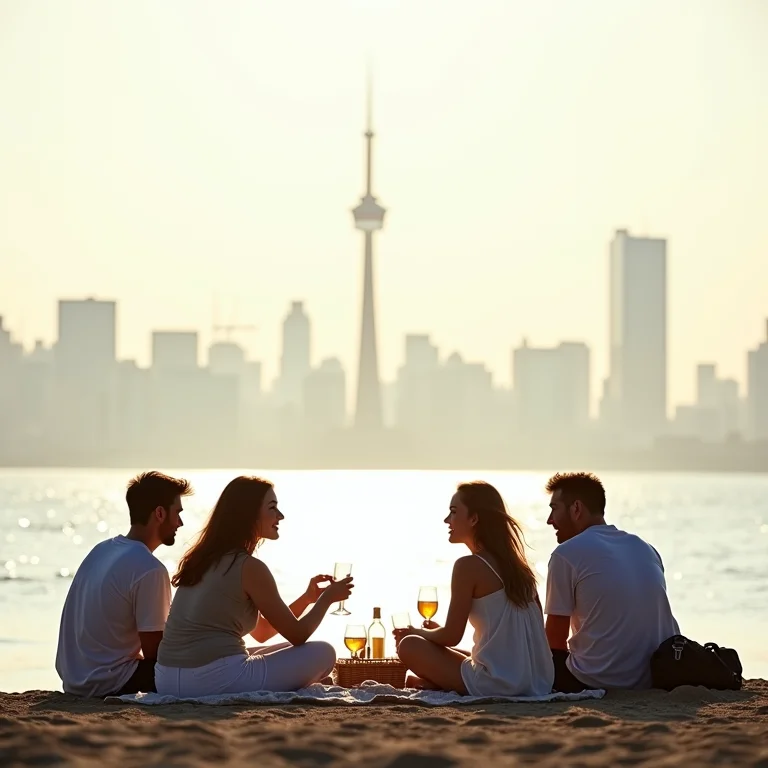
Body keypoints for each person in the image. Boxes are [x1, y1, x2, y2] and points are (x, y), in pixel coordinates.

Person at [155, 476, 352, 697]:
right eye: (272, 508)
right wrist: (327, 599)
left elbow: (263, 632)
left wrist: (307, 599)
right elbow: (298, 635)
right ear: (249, 515)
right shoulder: (249, 567)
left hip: (166, 679)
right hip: (211, 680)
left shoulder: (204, 560)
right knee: (324, 652)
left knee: (285, 651)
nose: (280, 516)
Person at [393, 481, 554, 697]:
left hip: (501, 684)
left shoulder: (468, 566)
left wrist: (418, 632)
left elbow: (451, 636)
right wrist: (434, 635)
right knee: (462, 654)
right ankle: (436, 682)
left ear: (474, 518)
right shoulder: (521, 569)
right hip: (538, 680)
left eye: (453, 512)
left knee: (409, 645)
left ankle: (438, 682)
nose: (447, 520)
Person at [55, 471, 192, 697]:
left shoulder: (101, 550)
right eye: (177, 512)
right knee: (204, 669)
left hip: (74, 680)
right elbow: (156, 654)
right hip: (110, 682)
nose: (180, 522)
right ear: (159, 513)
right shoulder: (150, 569)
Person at [544, 471, 680, 692]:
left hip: (595, 680)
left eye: (554, 509)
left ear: (576, 508)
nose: (549, 520)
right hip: (655, 676)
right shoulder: (645, 548)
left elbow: (554, 641)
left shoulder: (566, 554)